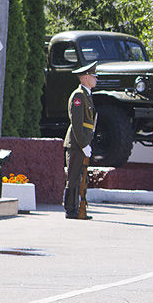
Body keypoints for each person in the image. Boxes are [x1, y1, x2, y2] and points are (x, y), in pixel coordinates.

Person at [63, 62, 97, 220]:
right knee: (74, 176)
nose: (95, 78)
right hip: (77, 143)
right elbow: (77, 123)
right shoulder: (78, 95)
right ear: (85, 78)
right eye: (93, 76)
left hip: (83, 143)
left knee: (81, 178)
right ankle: (71, 209)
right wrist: (84, 144)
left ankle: (77, 208)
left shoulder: (87, 95)